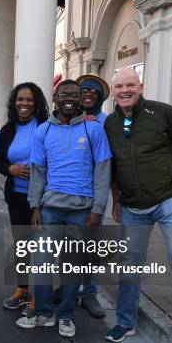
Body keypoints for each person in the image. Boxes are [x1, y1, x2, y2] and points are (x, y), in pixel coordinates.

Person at [104, 68, 172, 343]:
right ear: (113, 91)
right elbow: (113, 167)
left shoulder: (164, 113)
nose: (125, 90)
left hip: (170, 200)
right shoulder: (110, 123)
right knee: (129, 265)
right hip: (133, 207)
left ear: (141, 86)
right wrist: (118, 201)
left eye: (130, 85)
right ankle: (125, 321)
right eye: (119, 86)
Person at [16, 80, 111, 338]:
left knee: (72, 266)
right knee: (43, 263)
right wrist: (34, 205)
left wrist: (98, 209)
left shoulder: (93, 130)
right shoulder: (43, 131)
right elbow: (38, 172)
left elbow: (103, 171)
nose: (69, 99)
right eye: (64, 95)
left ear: (80, 99)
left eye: (75, 95)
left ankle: (67, 315)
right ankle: (44, 313)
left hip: (82, 210)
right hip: (50, 210)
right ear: (55, 98)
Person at [0, 82, 49, 311]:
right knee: (22, 246)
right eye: (20, 99)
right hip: (17, 195)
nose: (24, 104)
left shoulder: (48, 126)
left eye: (29, 99)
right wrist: (10, 169)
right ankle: (22, 290)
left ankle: (40, 296)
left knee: (42, 248)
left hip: (44, 197)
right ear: (13, 103)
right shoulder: (7, 130)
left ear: (36, 103)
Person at [68, 73, 112, 319]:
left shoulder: (106, 121)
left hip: (93, 193)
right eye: (84, 90)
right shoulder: (66, 119)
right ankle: (68, 290)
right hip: (68, 192)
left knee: (89, 246)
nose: (88, 95)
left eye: (94, 92)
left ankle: (89, 292)